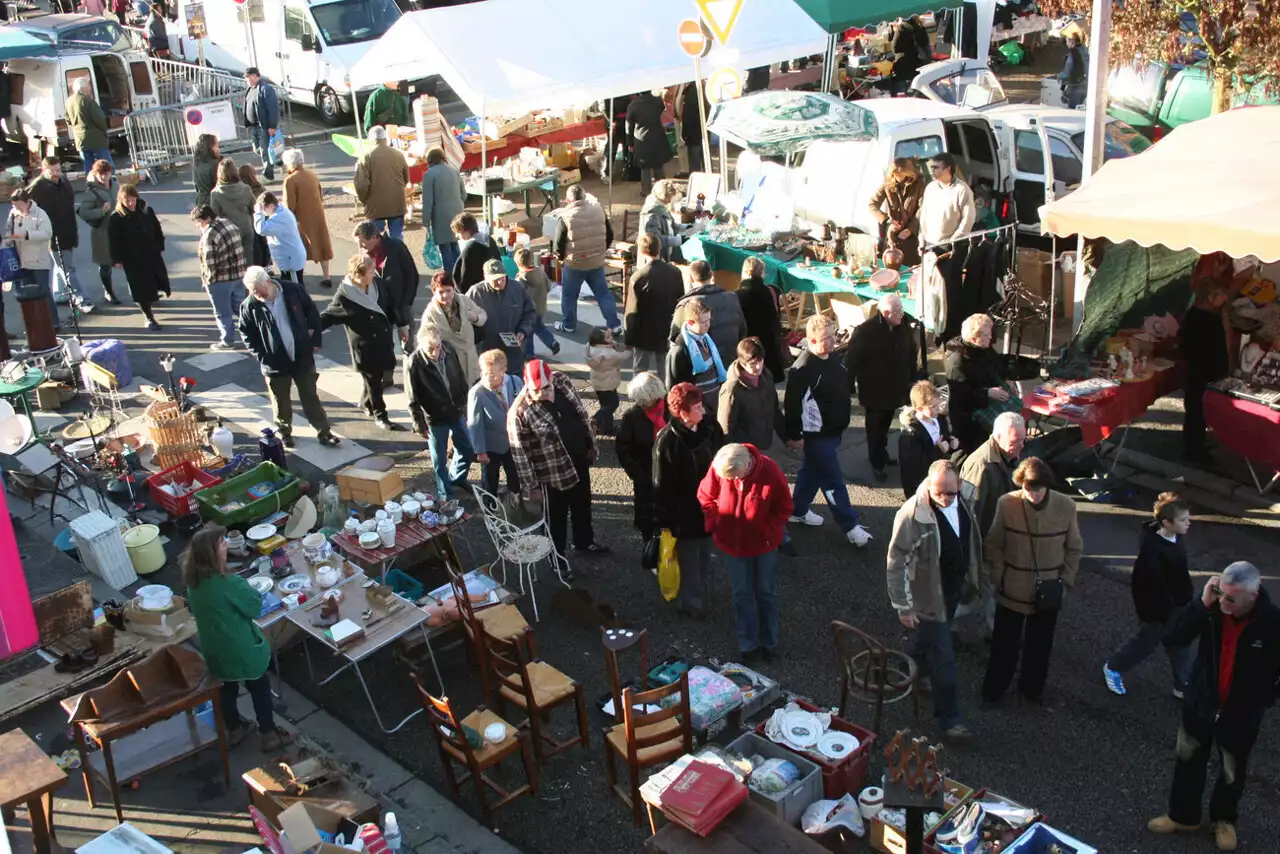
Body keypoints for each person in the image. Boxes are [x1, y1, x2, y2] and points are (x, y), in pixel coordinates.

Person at [1147, 561, 1280, 852]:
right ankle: (1183, 817)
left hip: (1241, 713)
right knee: (1187, 760)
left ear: (1253, 597)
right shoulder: (1211, 610)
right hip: (1201, 702)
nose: (1223, 602)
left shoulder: (1272, 622)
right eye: (1221, 594)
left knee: (1232, 771)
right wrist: (1202, 603)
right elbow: (1173, 638)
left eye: (1231, 599)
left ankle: (1223, 820)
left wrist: (1264, 698)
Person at [887, 459, 981, 742]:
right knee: (945, 658)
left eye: (950, 493)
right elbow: (896, 562)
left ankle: (911, 668)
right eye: (938, 491)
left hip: (951, 590)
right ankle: (950, 720)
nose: (944, 498)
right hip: (928, 598)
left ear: (960, 486)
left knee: (925, 640)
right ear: (929, 484)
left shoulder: (965, 499)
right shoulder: (912, 515)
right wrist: (903, 606)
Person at [981, 457, 1083, 707]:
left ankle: (1032, 689)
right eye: (1027, 489)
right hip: (1012, 587)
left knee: (1040, 645)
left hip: (1048, 590)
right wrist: (999, 574)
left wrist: (1065, 580)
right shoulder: (1007, 503)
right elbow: (993, 544)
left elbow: (1074, 547)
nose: (1032, 495)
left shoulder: (1066, 506)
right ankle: (993, 691)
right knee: (1005, 646)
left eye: (1036, 490)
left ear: (1047, 485)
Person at [182, 525, 294, 751]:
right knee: (260, 688)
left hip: (215, 649)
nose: (226, 545)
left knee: (227, 689)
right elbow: (254, 607)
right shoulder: (229, 584)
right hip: (241, 648)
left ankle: (235, 729)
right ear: (213, 554)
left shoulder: (193, 584)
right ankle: (269, 733)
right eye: (222, 543)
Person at [698, 443, 792, 661]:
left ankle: (770, 643)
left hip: (763, 546)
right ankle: (747, 645)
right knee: (742, 595)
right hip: (733, 546)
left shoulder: (771, 471)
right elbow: (705, 496)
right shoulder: (720, 468)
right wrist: (716, 522)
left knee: (766, 594)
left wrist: (768, 531)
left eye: (734, 477)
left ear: (747, 465)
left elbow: (784, 507)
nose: (730, 481)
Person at [785, 314, 873, 547]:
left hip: (834, 431)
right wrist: (795, 435)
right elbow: (792, 405)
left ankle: (798, 510)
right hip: (816, 436)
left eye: (833, 336)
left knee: (812, 472)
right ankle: (850, 526)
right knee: (833, 480)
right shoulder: (802, 369)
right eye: (826, 338)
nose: (833, 342)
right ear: (811, 340)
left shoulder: (833, 357)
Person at [509, 360, 609, 559]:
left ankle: (584, 542)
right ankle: (557, 557)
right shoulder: (519, 412)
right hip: (552, 473)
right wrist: (532, 486)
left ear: (551, 380)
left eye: (545, 388)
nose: (540, 393)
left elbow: (581, 412)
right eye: (535, 389)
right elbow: (520, 454)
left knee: (583, 504)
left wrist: (591, 445)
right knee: (556, 518)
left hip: (579, 459)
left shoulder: (562, 380)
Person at [1102, 494, 1196, 698]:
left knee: (1180, 644)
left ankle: (1182, 684)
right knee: (1144, 643)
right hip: (1159, 610)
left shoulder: (1175, 537)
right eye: (1183, 520)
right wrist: (1163, 610)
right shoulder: (1152, 552)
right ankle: (1113, 667)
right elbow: (1146, 586)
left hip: (1178, 603)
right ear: (1166, 523)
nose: (1188, 523)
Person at [238, 266, 340, 448]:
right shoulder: (249, 306)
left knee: (310, 396)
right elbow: (247, 334)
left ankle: (324, 432)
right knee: (280, 401)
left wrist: (316, 339)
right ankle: (284, 432)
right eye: (253, 292)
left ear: (268, 282)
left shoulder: (292, 290)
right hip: (275, 364)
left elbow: (312, 312)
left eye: (259, 291)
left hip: (301, 356)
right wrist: (262, 356)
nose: (256, 295)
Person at [653, 383, 724, 617]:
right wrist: (667, 519)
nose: (702, 411)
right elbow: (661, 485)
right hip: (684, 514)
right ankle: (690, 603)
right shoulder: (667, 442)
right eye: (697, 407)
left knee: (704, 555)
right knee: (689, 560)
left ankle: (695, 595)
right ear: (682, 412)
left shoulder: (709, 428)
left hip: (708, 508)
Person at [320, 254, 404, 431]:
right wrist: (309, 329)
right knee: (373, 382)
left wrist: (402, 325)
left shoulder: (377, 284)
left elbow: (390, 306)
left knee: (378, 377)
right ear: (359, 275)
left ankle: (366, 403)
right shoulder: (345, 295)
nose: (374, 274)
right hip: (364, 348)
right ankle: (380, 414)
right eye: (371, 272)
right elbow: (328, 316)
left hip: (383, 340)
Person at [845, 293, 923, 481]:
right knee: (875, 429)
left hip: (895, 388)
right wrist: (847, 388)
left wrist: (913, 378)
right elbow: (851, 361)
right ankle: (876, 461)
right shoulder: (865, 332)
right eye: (898, 312)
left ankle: (882, 453)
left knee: (886, 424)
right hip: (874, 390)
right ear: (886, 312)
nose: (902, 314)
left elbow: (911, 353)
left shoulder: (902, 326)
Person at [405, 327, 474, 499]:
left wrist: (465, 405)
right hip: (435, 418)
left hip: (455, 410)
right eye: (430, 348)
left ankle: (457, 478)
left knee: (467, 449)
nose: (435, 352)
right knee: (439, 461)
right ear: (421, 345)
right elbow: (412, 397)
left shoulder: (448, 349)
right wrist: (419, 423)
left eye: (437, 347)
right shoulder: (414, 363)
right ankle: (446, 495)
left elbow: (459, 377)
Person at [920, 153, 976, 339]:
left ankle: (951, 331)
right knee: (932, 288)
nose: (932, 170)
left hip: (951, 247)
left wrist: (954, 240)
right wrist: (923, 238)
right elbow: (924, 215)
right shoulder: (930, 189)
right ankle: (936, 326)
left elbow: (968, 220)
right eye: (932, 167)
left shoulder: (962, 190)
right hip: (931, 245)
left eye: (936, 167)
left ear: (948, 169)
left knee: (949, 289)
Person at [946, 313, 1017, 453]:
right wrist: (987, 393)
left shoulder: (984, 348)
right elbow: (960, 392)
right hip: (968, 418)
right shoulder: (956, 360)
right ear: (974, 338)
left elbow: (995, 366)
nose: (991, 337)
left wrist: (1006, 379)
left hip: (985, 409)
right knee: (970, 454)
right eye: (986, 335)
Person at [554, 185, 620, 334]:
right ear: (584, 196)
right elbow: (609, 234)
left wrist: (561, 258)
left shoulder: (565, 216)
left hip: (575, 263)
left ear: (568, 200)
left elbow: (558, 245)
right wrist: (601, 251)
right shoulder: (598, 209)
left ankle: (569, 324)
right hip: (596, 261)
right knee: (603, 293)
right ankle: (615, 324)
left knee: (569, 295)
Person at [29, 157, 92, 312]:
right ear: (44, 170)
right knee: (68, 268)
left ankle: (59, 294)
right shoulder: (37, 187)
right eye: (53, 171)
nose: (57, 173)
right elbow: (24, 208)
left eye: (59, 170)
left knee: (61, 265)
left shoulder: (63, 181)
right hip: (52, 234)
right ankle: (82, 300)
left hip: (68, 229)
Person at [1180, 285, 1232, 466]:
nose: (1225, 298)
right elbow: (1211, 349)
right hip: (1202, 372)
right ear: (1211, 297)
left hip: (1202, 371)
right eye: (1221, 295)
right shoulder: (1203, 319)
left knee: (1199, 411)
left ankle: (1197, 444)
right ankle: (1193, 451)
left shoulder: (1203, 315)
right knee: (1196, 411)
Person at [106, 184, 169, 330]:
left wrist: (160, 245)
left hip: (151, 253)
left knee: (154, 281)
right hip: (132, 258)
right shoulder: (117, 218)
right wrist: (116, 259)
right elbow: (113, 241)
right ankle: (149, 317)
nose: (130, 203)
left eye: (133, 200)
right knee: (139, 288)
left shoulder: (146, 211)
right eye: (127, 201)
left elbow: (157, 229)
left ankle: (152, 298)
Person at [352, 220, 418, 355]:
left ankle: (412, 371)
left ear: (375, 237)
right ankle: (387, 375)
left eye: (362, 242)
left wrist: (407, 303)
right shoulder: (363, 256)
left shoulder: (396, 247)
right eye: (358, 242)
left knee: (408, 345)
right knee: (383, 348)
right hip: (380, 308)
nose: (360, 246)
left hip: (401, 304)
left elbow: (412, 276)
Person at [616, 372, 667, 542]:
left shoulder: (670, 410)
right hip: (645, 475)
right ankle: (650, 550)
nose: (641, 403)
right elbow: (623, 448)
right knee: (647, 519)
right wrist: (637, 474)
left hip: (669, 474)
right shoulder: (631, 416)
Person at [468, 349, 524, 500]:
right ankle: (490, 510)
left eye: (491, 374)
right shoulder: (477, 393)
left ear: (503, 370)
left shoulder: (515, 382)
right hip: (491, 446)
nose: (486, 377)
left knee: (515, 476)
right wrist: (480, 451)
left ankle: (515, 506)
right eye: (484, 372)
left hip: (513, 443)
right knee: (490, 481)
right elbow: (475, 424)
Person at [625, 232, 683, 373]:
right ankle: (665, 394)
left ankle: (638, 394)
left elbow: (632, 312)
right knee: (665, 369)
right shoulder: (675, 272)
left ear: (642, 251)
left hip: (644, 332)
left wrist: (629, 338)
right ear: (660, 247)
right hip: (666, 328)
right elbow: (680, 301)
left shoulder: (638, 277)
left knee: (640, 368)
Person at [670, 260, 747, 368]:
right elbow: (742, 330)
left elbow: (675, 338)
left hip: (703, 367)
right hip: (731, 362)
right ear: (711, 275)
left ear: (691, 279)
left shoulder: (685, 305)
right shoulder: (732, 298)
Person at [192, 204, 248, 350]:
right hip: (238, 275)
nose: (198, 225)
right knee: (241, 308)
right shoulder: (227, 223)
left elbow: (209, 262)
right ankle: (254, 332)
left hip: (220, 280)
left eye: (199, 222)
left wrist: (207, 281)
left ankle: (227, 340)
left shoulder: (209, 235)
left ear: (207, 219)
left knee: (222, 312)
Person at [470, 258, 536, 376]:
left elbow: (530, 313)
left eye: (502, 278)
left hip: (513, 356)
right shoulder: (476, 293)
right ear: (485, 277)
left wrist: (523, 331)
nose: (500, 282)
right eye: (495, 280)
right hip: (488, 356)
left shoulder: (517, 289)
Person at [5, 188, 59, 327]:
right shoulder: (13, 213)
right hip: (21, 260)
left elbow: (47, 233)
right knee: (28, 293)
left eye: (19, 205)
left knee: (43, 291)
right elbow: (8, 230)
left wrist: (27, 235)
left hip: (38, 260)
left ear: (27, 202)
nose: (16, 208)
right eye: (14, 205)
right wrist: (9, 239)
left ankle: (53, 322)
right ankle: (35, 323)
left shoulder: (40, 214)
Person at [281, 148, 334, 288]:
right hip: (317, 214)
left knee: (300, 248)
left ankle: (299, 278)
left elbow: (289, 205)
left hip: (301, 220)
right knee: (321, 243)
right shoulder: (312, 175)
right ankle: (326, 276)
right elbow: (320, 194)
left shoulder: (290, 180)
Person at [422, 270, 486, 386]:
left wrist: (475, 317)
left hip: (471, 360)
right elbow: (425, 336)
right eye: (441, 292)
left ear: (454, 288)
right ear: (433, 292)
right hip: (450, 362)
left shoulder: (464, 301)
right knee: (458, 398)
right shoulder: (430, 313)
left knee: (475, 395)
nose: (445, 295)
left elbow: (483, 316)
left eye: (448, 290)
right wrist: (432, 342)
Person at [899, 380, 960, 498]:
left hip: (939, 482)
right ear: (920, 408)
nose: (938, 409)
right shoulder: (910, 434)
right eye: (933, 406)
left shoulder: (938, 419)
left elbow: (945, 440)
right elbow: (913, 467)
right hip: (922, 488)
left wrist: (951, 444)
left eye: (939, 404)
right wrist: (938, 450)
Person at [667, 297, 726, 411]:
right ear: (690, 322)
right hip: (697, 407)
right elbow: (674, 386)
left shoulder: (706, 339)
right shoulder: (680, 349)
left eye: (709, 320)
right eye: (703, 322)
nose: (708, 325)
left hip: (715, 402)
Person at [77, 159, 120, 306]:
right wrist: (101, 211)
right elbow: (83, 212)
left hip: (118, 229)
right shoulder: (91, 190)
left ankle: (139, 291)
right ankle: (109, 292)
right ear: (96, 174)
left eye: (107, 173)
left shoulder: (115, 185)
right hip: (102, 232)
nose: (104, 177)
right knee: (105, 264)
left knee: (129, 260)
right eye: (101, 174)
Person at [354, 126, 409, 241]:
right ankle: (397, 256)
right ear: (385, 138)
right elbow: (406, 178)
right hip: (397, 203)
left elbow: (361, 185)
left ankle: (381, 258)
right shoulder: (398, 154)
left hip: (375, 206)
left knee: (376, 238)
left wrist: (365, 200)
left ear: (371, 139)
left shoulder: (365, 157)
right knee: (397, 237)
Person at [736, 257, 786, 382]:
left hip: (749, 340)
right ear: (762, 273)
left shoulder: (738, 294)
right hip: (769, 341)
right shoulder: (769, 291)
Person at [419, 147, 466, 274]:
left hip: (440, 216)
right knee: (455, 245)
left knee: (445, 248)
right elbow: (464, 194)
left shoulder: (429, 175)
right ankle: (460, 274)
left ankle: (449, 278)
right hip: (457, 212)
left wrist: (426, 221)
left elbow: (427, 201)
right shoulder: (454, 170)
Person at [869, 158, 925, 266]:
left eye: (901, 174)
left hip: (911, 238)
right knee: (890, 269)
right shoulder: (887, 184)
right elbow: (872, 205)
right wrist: (887, 221)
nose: (898, 177)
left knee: (909, 271)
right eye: (895, 174)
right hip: (892, 236)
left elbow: (923, 208)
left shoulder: (918, 184)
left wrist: (910, 229)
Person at [514, 246, 558, 358]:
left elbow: (518, 297)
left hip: (528, 311)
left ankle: (529, 354)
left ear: (518, 264)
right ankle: (552, 342)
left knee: (528, 333)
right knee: (540, 327)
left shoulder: (521, 279)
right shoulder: (541, 272)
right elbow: (549, 286)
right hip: (541, 307)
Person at [210, 158, 256, 266]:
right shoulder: (246, 188)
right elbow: (254, 208)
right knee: (249, 258)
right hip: (247, 227)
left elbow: (215, 215)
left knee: (233, 262)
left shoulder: (216, 194)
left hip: (229, 231)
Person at [254, 192, 307, 285]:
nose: (263, 212)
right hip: (289, 259)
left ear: (271, 205)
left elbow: (261, 229)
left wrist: (258, 213)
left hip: (291, 262)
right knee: (289, 288)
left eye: (263, 209)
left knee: (296, 290)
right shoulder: (280, 212)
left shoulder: (280, 217)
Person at [626, 89, 672, 195]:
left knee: (644, 167)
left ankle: (646, 191)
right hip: (657, 136)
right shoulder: (657, 101)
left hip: (641, 139)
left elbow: (629, 127)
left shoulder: (632, 105)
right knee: (658, 165)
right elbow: (661, 109)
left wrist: (630, 142)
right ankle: (663, 191)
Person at [64, 77, 111, 175]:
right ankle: (108, 185)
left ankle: (90, 185)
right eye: (89, 86)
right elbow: (99, 119)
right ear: (84, 88)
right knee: (106, 165)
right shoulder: (88, 100)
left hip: (80, 139)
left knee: (88, 167)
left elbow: (68, 120)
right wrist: (104, 130)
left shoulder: (69, 101)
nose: (90, 89)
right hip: (95, 138)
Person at [586, 327, 627, 434]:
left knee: (605, 405)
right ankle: (597, 420)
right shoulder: (608, 354)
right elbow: (623, 356)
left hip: (598, 381)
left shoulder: (591, 347)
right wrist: (630, 349)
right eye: (608, 337)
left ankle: (605, 427)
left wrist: (612, 343)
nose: (612, 338)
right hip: (608, 383)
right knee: (613, 404)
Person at [243, 68, 279, 180]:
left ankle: (268, 174)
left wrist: (272, 126)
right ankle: (275, 160)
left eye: (248, 78)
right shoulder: (250, 89)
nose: (247, 80)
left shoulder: (265, 89)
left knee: (264, 150)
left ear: (255, 76)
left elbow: (273, 109)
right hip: (254, 126)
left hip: (263, 126)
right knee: (257, 149)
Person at [450, 212, 499, 293]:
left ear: (463, 230)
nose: (456, 236)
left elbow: (462, 278)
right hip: (492, 289)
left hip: (475, 294)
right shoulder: (490, 240)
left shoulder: (470, 248)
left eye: (457, 232)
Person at [639, 179, 684, 262]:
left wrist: (688, 228)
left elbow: (671, 226)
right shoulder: (652, 213)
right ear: (663, 196)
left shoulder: (662, 207)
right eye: (669, 198)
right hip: (652, 260)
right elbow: (654, 240)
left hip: (663, 256)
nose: (670, 201)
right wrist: (677, 240)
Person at [890, 16, 931, 95]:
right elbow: (926, 45)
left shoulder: (901, 28)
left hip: (903, 67)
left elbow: (894, 48)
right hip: (919, 66)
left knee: (902, 94)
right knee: (916, 93)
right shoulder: (920, 28)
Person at [679, 83, 704, 175]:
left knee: (695, 163)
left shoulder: (690, 94)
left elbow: (688, 117)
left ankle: (697, 184)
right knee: (705, 158)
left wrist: (684, 134)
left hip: (694, 134)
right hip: (701, 132)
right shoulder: (699, 89)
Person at [1059, 34, 1087, 109]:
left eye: (1067, 41)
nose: (1066, 43)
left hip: (1075, 86)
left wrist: (1060, 77)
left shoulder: (1073, 55)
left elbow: (1068, 72)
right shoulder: (1085, 51)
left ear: (1072, 42)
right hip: (1085, 85)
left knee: (1073, 112)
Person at [192, 133, 220, 208]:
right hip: (213, 202)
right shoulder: (214, 164)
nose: (218, 149)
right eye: (217, 146)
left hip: (201, 201)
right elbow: (220, 185)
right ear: (210, 147)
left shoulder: (197, 162)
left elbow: (195, 184)